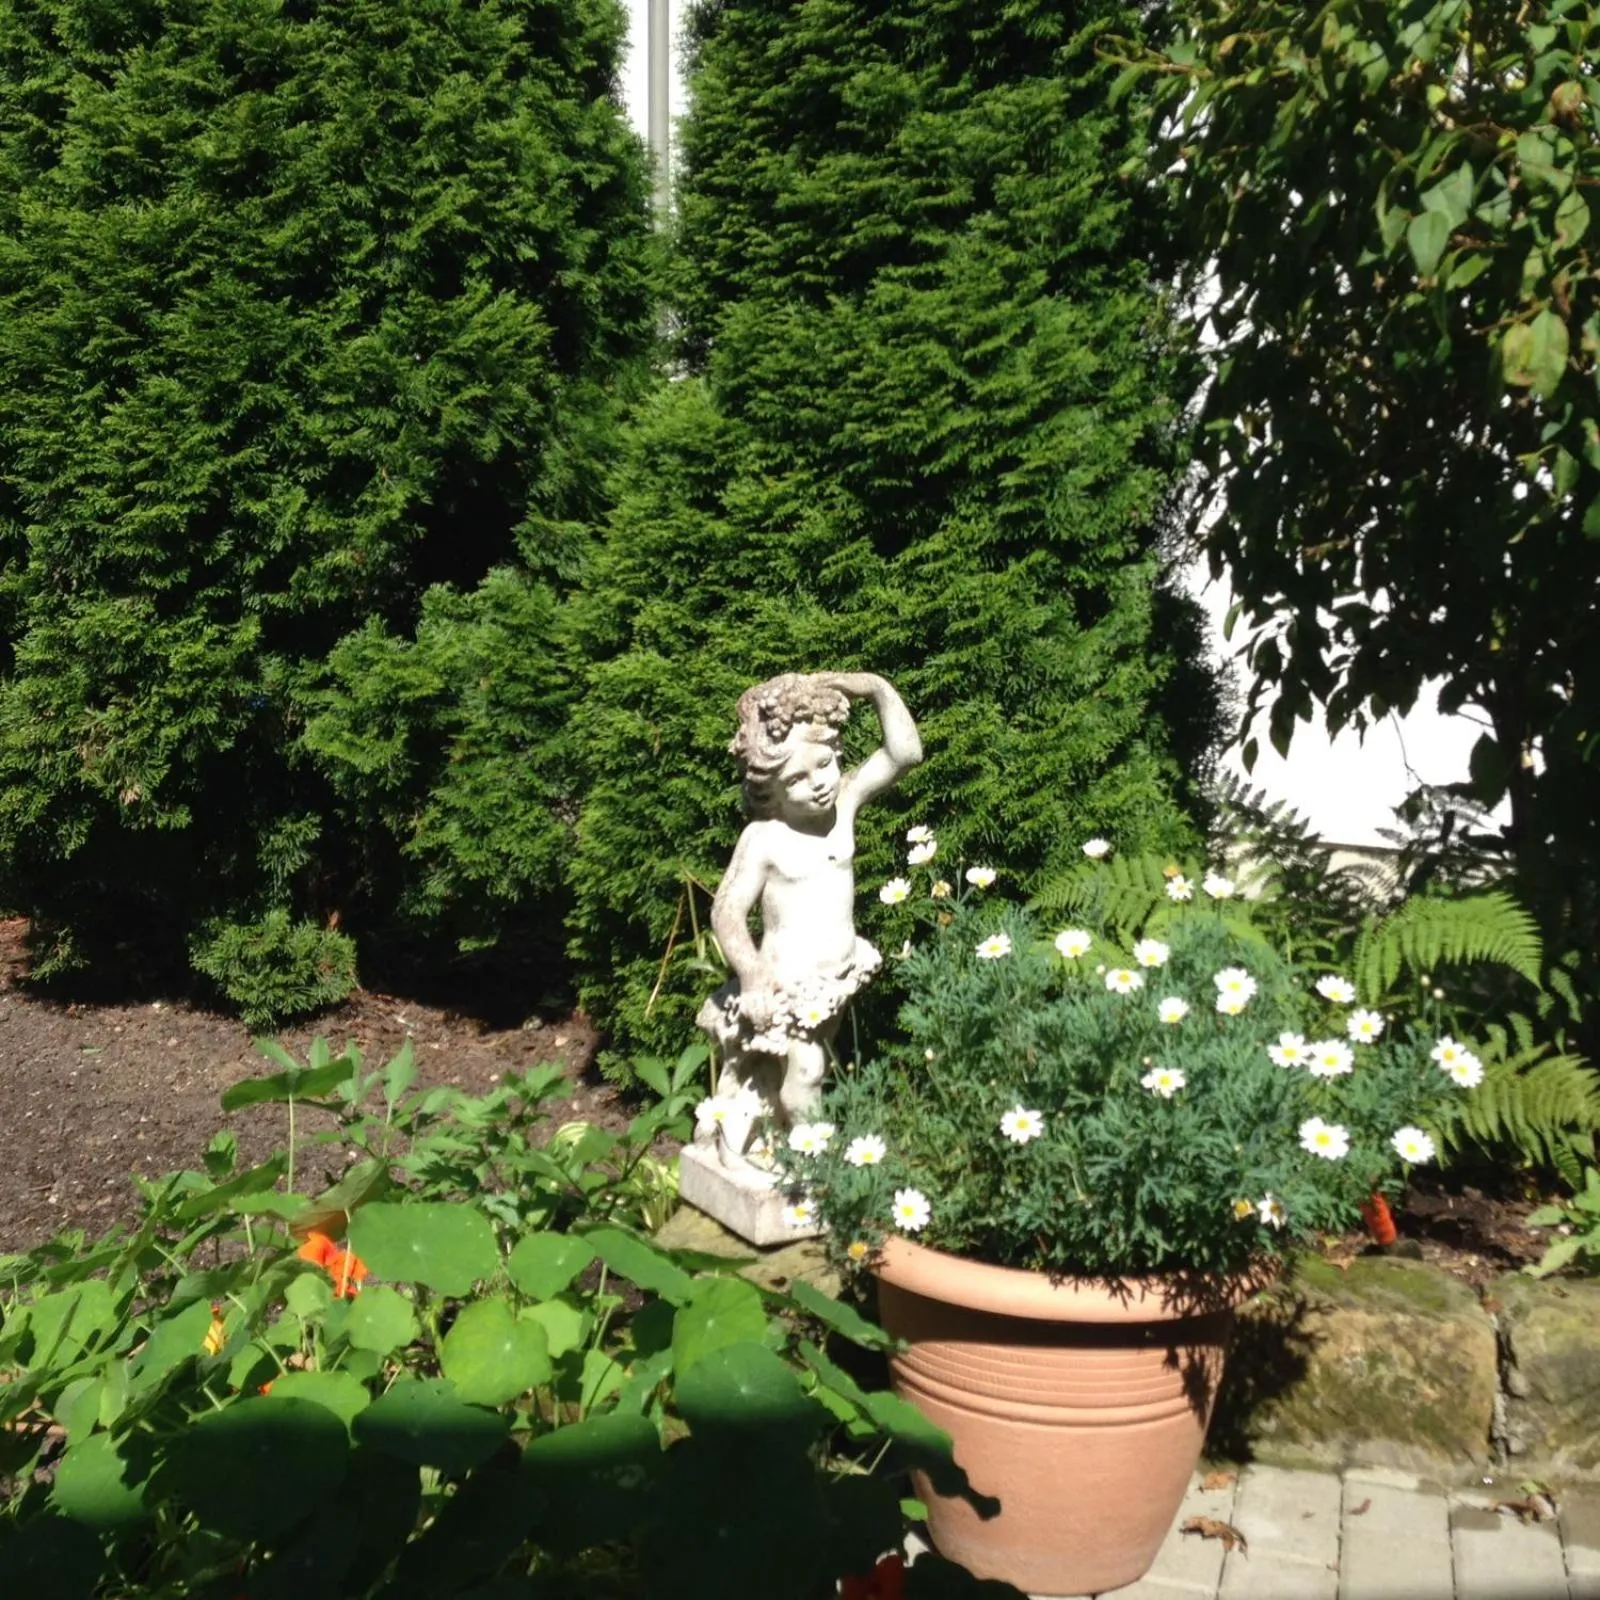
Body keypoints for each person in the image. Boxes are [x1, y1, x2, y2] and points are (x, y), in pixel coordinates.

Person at [696, 671, 922, 1158]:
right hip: (788, 986)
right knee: (808, 1071)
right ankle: (814, 1168)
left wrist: (876, 688)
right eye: (796, 779)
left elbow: (905, 754)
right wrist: (752, 974)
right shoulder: (765, 838)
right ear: (770, 790)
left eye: (824, 764)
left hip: (835, 979)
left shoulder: (844, 804)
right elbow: (727, 910)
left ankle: (758, 1130)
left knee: (794, 1067)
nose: (818, 784)